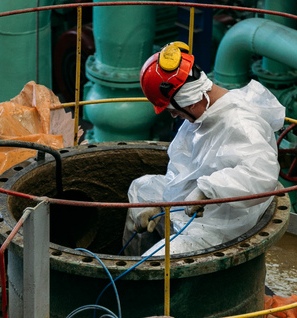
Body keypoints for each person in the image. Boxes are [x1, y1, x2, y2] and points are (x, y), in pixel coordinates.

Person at [122, 42, 285, 256]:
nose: (173, 116)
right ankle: (128, 266)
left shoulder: (240, 123)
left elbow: (261, 176)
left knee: (154, 261)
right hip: (197, 206)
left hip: (221, 222)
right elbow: (181, 170)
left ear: (188, 101)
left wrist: (209, 189)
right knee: (140, 189)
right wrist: (161, 205)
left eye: (173, 110)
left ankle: (141, 277)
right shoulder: (202, 118)